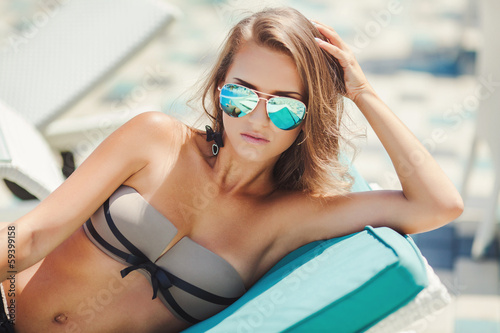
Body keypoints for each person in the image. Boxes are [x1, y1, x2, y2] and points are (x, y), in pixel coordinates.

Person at [0, 6, 463, 333]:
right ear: (220, 87)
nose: (257, 118)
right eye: (241, 95)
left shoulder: (291, 217)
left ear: (308, 116)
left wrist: (362, 92)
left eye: (283, 106)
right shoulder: (156, 139)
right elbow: (32, 235)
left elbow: (437, 203)